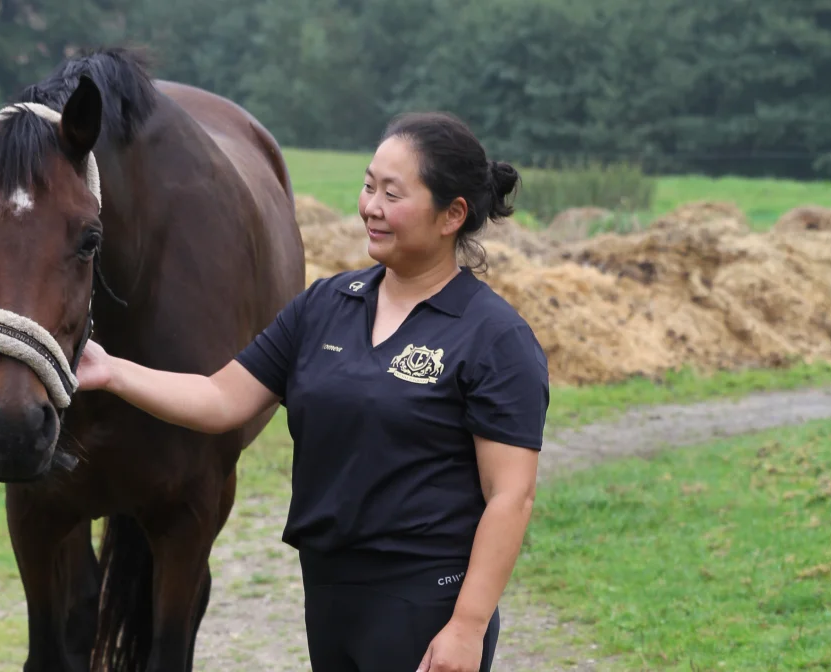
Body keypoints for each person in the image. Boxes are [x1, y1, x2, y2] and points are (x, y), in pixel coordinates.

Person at [74, 111, 549, 672]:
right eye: (369, 186)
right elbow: (220, 398)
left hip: (424, 598)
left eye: (392, 194)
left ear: (453, 215)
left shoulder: (494, 336)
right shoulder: (326, 305)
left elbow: (509, 497)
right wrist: (111, 370)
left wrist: (467, 628)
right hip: (329, 591)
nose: (370, 206)